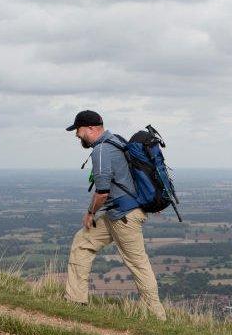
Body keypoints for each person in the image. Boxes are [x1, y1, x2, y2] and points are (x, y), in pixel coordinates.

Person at [64, 110, 167, 320]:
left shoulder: (101, 150)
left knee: (138, 264)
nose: (76, 135)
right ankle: (75, 300)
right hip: (116, 214)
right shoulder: (116, 140)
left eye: (78, 130)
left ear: (90, 128)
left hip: (124, 216)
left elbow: (102, 191)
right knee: (82, 242)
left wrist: (90, 213)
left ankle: (157, 317)